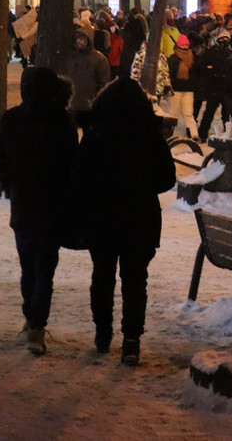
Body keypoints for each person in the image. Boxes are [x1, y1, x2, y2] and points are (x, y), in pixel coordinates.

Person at [74, 79, 175, 366]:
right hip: (139, 218)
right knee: (134, 280)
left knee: (102, 276)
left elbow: (79, 177)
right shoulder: (149, 136)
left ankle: (102, 332)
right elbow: (167, 178)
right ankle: (131, 340)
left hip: (101, 218)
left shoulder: (95, 135)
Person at [0, 67, 79, 355]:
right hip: (53, 206)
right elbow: (72, 163)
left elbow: (0, 158)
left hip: (24, 204)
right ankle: (36, 327)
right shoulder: (61, 121)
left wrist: (12, 186)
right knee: (45, 270)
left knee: (28, 267)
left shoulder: (12, 119)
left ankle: (30, 318)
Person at [66, 29, 111, 130]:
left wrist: (97, 101)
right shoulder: (70, 57)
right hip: (71, 106)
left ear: (89, 40)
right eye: (78, 38)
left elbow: (103, 83)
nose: (80, 42)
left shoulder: (98, 59)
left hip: (88, 107)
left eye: (83, 38)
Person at [167, 34, 199, 137]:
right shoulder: (173, 59)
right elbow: (170, 74)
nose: (185, 46)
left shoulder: (193, 57)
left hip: (188, 90)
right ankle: (168, 135)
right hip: (176, 90)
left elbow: (196, 73)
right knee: (173, 114)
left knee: (188, 114)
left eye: (186, 44)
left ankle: (194, 135)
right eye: (183, 44)